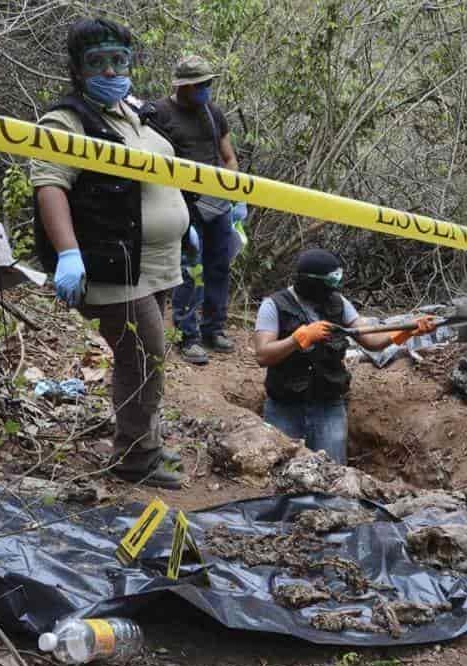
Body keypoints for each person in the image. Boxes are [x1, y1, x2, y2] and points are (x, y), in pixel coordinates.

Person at [30, 17, 188, 488]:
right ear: (78, 70)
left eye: (119, 60)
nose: (110, 70)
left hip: (156, 262)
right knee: (144, 355)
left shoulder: (136, 112)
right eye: (97, 63)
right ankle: (136, 457)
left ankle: (145, 441)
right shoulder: (66, 120)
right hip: (111, 264)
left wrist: (187, 223)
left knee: (141, 356)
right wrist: (68, 254)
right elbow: (50, 186)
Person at [254, 249, 437, 464]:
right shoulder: (274, 305)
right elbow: (263, 355)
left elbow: (372, 342)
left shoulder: (338, 303)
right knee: (280, 473)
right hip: (284, 406)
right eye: (330, 281)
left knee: (333, 475)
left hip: (328, 405)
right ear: (309, 281)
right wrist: (297, 339)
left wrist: (406, 331)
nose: (334, 287)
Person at [153, 55, 245, 365]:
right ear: (183, 86)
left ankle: (213, 328)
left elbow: (228, 156)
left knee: (219, 265)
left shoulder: (213, 112)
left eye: (209, 83)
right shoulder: (159, 113)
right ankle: (187, 335)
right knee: (189, 270)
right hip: (181, 203)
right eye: (200, 85)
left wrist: (234, 194)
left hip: (217, 203)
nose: (207, 89)